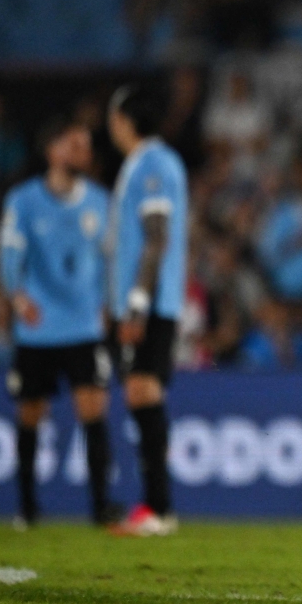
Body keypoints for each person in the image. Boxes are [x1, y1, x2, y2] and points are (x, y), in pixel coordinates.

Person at [0, 118, 120, 529]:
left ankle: (101, 506)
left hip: (84, 324)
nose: (83, 152)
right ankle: (28, 507)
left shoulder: (100, 202)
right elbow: (10, 252)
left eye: (86, 145)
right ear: (53, 151)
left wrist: (110, 304)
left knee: (93, 410)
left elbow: (112, 260)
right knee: (31, 412)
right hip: (39, 325)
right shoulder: (24, 200)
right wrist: (16, 295)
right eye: (74, 144)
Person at [106, 85, 189, 537]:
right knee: (142, 392)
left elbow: (156, 238)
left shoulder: (153, 163)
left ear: (123, 119)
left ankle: (158, 509)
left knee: (142, 391)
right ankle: (157, 508)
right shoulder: (148, 163)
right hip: (148, 301)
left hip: (152, 302)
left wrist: (136, 303)